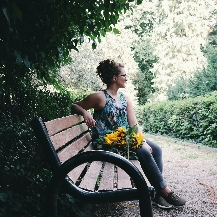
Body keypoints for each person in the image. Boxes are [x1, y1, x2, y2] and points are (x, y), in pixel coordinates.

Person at [71, 59, 187, 209]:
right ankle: (165, 191)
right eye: (124, 75)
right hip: (107, 140)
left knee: (156, 149)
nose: (126, 78)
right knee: (144, 151)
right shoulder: (100, 97)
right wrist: (85, 112)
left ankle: (158, 194)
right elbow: (74, 106)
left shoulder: (125, 98)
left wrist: (142, 140)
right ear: (114, 78)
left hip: (125, 137)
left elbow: (134, 124)